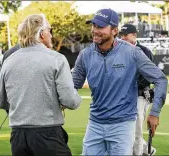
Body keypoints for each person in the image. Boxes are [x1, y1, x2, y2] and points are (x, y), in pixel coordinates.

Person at [72, 8, 168, 155]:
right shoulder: (85, 54)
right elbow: (73, 85)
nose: (95, 30)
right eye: (94, 26)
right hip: (95, 123)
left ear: (114, 31)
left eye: (100, 27)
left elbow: (160, 79)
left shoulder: (132, 52)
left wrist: (154, 113)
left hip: (123, 124)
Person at [0, 14, 81, 156]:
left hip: (18, 137)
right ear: (42, 34)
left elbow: (1, 102)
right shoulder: (56, 59)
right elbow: (70, 101)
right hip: (48, 135)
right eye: (50, 31)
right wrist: (76, 99)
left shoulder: (9, 61)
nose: (51, 35)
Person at [120, 23, 156, 155]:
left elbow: (149, 76)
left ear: (134, 35)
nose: (122, 38)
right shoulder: (118, 51)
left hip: (140, 95)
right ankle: (148, 150)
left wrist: (129, 84)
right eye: (121, 35)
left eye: (125, 35)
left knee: (136, 129)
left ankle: (138, 153)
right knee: (123, 128)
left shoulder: (145, 51)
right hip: (123, 96)